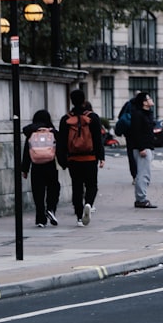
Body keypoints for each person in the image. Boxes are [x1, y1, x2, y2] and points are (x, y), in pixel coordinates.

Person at [57, 89, 105, 226]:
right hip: (90, 158)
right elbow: (97, 139)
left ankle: (79, 217)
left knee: (77, 187)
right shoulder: (93, 118)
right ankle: (88, 204)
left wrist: (63, 160)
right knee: (92, 185)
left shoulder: (66, 119)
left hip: (73, 159)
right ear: (84, 100)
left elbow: (61, 142)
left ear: (71, 100)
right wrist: (101, 157)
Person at [21, 109, 61, 228]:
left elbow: (26, 151)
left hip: (36, 166)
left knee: (38, 192)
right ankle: (50, 209)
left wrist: (25, 169)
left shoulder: (31, 133)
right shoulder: (53, 132)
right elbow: (60, 149)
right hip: (50, 165)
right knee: (54, 187)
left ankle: (40, 218)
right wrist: (64, 163)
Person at [128, 92, 157, 208]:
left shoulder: (146, 113)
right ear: (144, 102)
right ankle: (141, 199)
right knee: (143, 174)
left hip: (148, 146)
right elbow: (136, 132)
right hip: (143, 148)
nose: (151, 100)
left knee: (146, 174)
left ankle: (141, 198)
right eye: (149, 98)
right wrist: (141, 148)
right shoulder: (138, 114)